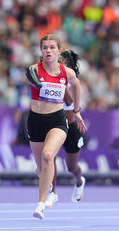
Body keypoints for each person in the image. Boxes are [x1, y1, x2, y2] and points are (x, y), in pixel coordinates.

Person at [25, 34, 87, 219]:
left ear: (58, 51)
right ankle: (52, 190)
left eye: (52, 48)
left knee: (51, 157)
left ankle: (41, 204)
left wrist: (77, 110)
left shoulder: (67, 74)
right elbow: (31, 77)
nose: (48, 51)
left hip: (60, 122)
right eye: (45, 48)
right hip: (36, 121)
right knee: (41, 168)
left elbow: (76, 86)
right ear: (41, 51)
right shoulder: (33, 70)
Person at [44, 50, 86, 208]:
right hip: (55, 125)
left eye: (59, 61)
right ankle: (52, 193)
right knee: (50, 158)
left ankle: (79, 181)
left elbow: (69, 100)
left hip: (71, 127)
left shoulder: (70, 80)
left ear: (67, 65)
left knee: (71, 167)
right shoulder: (50, 76)